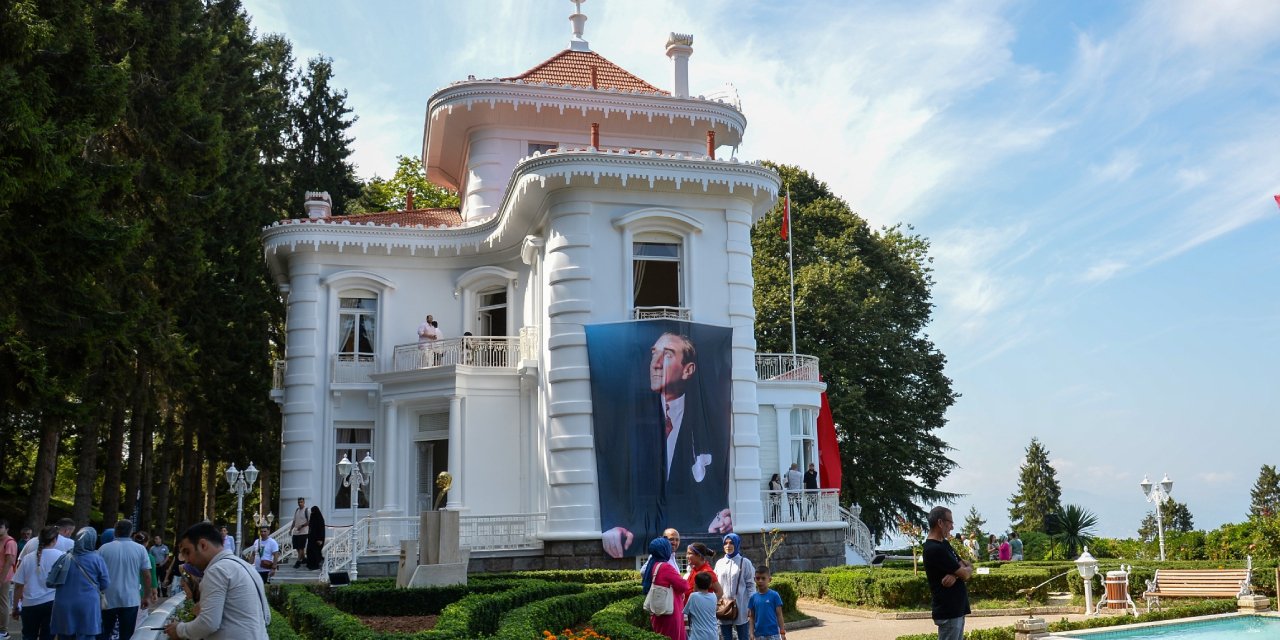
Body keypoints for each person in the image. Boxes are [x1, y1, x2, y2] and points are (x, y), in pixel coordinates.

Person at [598, 331, 732, 557]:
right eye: (653, 354)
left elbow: (717, 488)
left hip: (693, 538)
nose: (656, 364)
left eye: (667, 355)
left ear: (688, 370)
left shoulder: (713, 419)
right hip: (635, 537)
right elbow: (609, 474)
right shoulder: (626, 417)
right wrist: (612, 524)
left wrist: (723, 518)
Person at [163, 522, 270, 640]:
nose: (187, 560)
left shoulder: (217, 570)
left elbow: (208, 624)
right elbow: (267, 616)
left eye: (187, 552)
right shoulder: (248, 567)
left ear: (203, 545)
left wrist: (179, 630)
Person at [49, 527, 110, 640]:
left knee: (65, 635)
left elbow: (52, 578)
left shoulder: (64, 557)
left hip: (63, 604)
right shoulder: (97, 559)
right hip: (88, 604)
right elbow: (105, 583)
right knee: (87, 635)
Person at [98, 520, 153, 640]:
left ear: (115, 531)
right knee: (127, 635)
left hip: (107, 598)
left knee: (104, 633)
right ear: (131, 532)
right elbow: (147, 575)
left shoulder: (103, 549)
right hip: (130, 598)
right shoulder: (140, 549)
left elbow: (97, 574)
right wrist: (147, 596)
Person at [923, 507, 972, 640]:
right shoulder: (934, 549)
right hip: (948, 610)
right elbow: (966, 573)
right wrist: (960, 572)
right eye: (950, 522)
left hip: (956, 609)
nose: (951, 527)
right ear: (940, 522)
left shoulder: (944, 544)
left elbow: (965, 564)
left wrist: (955, 574)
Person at [12, 526, 62, 640]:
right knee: (48, 636)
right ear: (55, 539)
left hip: (29, 603)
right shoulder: (62, 557)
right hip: (52, 603)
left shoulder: (28, 558)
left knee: (29, 635)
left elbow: (19, 585)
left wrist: (15, 606)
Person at [641, 537, 688, 640]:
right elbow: (684, 585)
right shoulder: (665, 567)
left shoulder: (652, 564)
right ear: (664, 550)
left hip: (657, 610)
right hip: (670, 612)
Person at [714, 533, 755, 640]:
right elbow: (715, 584)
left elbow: (751, 585)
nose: (728, 545)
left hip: (741, 604)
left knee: (743, 636)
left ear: (737, 544)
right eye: (725, 543)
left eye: (731, 543)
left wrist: (751, 605)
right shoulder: (719, 563)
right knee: (725, 636)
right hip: (724, 605)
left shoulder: (745, 562)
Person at [748, 565, 786, 640]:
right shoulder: (753, 598)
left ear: (769, 579)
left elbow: (779, 615)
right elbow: (751, 617)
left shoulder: (774, 595)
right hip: (758, 635)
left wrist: (782, 632)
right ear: (754, 579)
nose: (760, 581)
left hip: (773, 634)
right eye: (758, 578)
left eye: (763, 578)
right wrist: (751, 633)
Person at [685, 571, 718, 640]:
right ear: (710, 585)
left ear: (695, 585)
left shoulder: (693, 596)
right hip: (713, 634)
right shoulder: (714, 596)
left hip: (698, 635)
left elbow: (686, 612)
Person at [0, 519, 17, 638]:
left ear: (7, 529)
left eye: (0, 527)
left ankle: (3, 631)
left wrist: (2, 579)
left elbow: (9, 561)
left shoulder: (10, 542)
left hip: (4, 578)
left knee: (3, 603)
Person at [290, 497, 309, 568]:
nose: (300, 503)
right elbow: (294, 521)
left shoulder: (307, 510)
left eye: (301, 502)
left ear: (304, 502)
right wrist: (290, 529)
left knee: (301, 547)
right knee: (296, 546)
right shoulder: (297, 510)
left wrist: (302, 526)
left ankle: (298, 561)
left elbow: (309, 521)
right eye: (299, 502)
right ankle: (303, 558)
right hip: (296, 532)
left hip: (304, 532)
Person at [304, 506, 325, 571]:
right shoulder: (312, 518)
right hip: (311, 539)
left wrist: (320, 539)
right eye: (312, 511)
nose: (312, 513)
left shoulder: (320, 519)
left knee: (316, 552)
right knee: (309, 551)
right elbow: (310, 528)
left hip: (317, 539)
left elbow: (321, 530)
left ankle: (316, 565)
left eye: (313, 511)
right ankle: (310, 565)